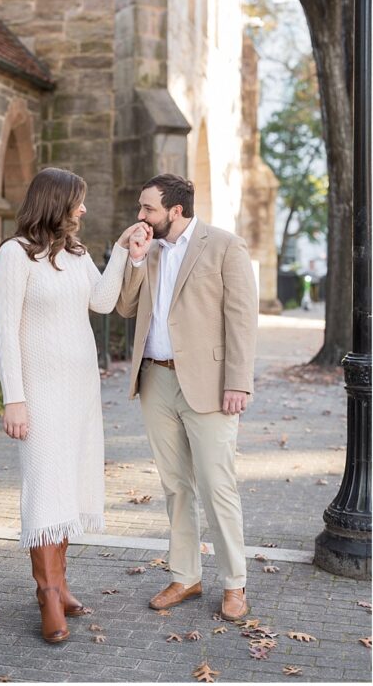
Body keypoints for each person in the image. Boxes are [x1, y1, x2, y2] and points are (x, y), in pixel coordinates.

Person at [0, 167, 148, 643]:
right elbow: (4, 333)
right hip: (37, 392)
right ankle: (48, 594)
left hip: (79, 389)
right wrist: (13, 399)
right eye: (78, 201)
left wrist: (125, 253)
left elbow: (101, 302)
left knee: (69, 484)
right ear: (55, 202)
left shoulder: (76, 254)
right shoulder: (14, 255)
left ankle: (60, 580)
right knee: (44, 485)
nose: (83, 209)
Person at [116, 174, 258, 621]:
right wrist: (134, 261)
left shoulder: (225, 246)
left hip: (210, 384)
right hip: (156, 381)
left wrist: (238, 381)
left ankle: (234, 583)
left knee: (218, 486)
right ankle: (185, 576)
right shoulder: (149, 251)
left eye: (148, 209)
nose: (140, 217)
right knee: (175, 485)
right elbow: (124, 307)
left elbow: (241, 319)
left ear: (175, 211)